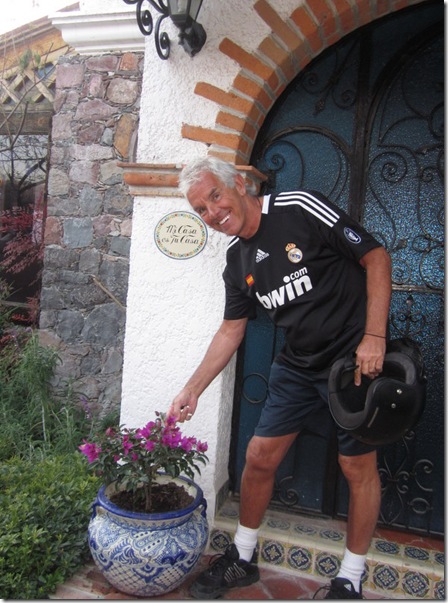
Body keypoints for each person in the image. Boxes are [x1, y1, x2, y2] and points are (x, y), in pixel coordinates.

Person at [167, 156, 392, 600]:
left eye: (215, 196)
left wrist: (374, 336)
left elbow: (376, 256)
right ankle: (242, 557)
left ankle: (350, 578)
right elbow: (231, 330)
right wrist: (192, 389)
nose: (212, 212)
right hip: (298, 366)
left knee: (356, 466)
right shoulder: (236, 262)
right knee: (259, 457)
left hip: (352, 361)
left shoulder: (298, 208)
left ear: (239, 185)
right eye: (201, 209)